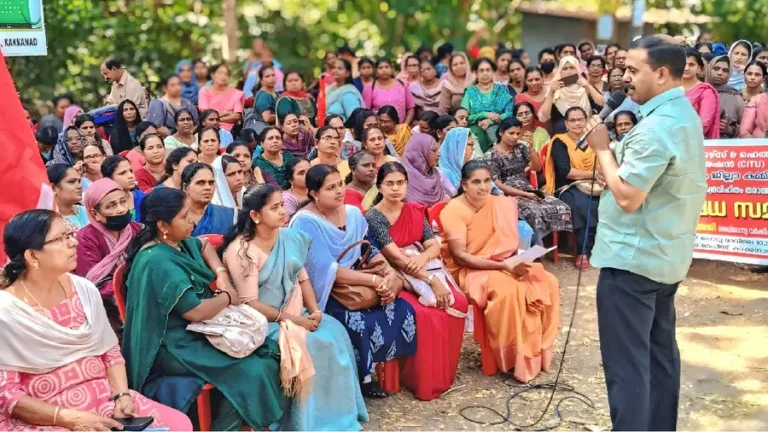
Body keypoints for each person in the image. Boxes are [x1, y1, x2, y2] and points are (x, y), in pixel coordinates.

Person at [585, 35, 707, 431]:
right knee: (658, 359)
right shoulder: (681, 115)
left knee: (629, 370)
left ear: (662, 73)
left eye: (634, 70)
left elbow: (627, 196)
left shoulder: (658, 127)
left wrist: (603, 149)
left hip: (633, 263)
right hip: (663, 259)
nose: (625, 77)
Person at [0, 209, 192, 431]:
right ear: (32, 256)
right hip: (49, 414)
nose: (73, 242)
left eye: (69, 234)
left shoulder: (83, 290)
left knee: (179, 425)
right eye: (60, 238)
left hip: (105, 398)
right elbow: (8, 395)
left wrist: (122, 395)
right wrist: (69, 418)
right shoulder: (7, 312)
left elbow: (110, 353)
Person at [121, 188, 288, 430]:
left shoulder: (178, 243)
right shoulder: (156, 259)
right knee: (252, 371)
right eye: (184, 216)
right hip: (172, 343)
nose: (192, 220)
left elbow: (204, 246)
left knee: (269, 354)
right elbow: (195, 312)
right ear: (163, 225)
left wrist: (221, 274)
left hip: (200, 331)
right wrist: (226, 297)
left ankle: (240, 425)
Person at [221, 185, 369, 429]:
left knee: (335, 333)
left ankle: (339, 415)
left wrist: (314, 311)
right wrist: (296, 321)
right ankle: (307, 422)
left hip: (297, 311)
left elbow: (303, 278)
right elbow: (251, 304)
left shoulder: (288, 237)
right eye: (274, 208)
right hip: (264, 322)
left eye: (282, 205)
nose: (282, 211)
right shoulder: (242, 251)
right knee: (314, 343)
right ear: (255, 216)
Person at [289, 165, 417, 398]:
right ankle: (363, 379)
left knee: (402, 307)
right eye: (330, 188)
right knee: (357, 322)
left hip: (359, 280)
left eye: (340, 184)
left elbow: (370, 248)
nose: (339, 191)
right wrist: (375, 281)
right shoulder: (305, 222)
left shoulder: (352, 214)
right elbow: (329, 270)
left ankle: (390, 370)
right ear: (314, 194)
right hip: (324, 292)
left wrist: (388, 273)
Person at [439, 160, 560, 381]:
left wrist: (515, 261)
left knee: (547, 280)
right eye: (476, 182)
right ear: (464, 185)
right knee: (508, 291)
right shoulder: (453, 210)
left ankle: (537, 350)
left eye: (487, 181)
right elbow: (460, 256)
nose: (483, 187)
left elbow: (505, 247)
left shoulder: (500, 204)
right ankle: (511, 356)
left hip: (503, 264)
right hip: (468, 270)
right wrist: (503, 266)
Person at [364, 163, 468, 400]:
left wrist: (422, 258)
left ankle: (444, 372)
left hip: (419, 264)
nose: (395, 188)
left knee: (459, 302)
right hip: (393, 273)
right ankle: (420, 380)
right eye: (389, 183)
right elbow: (394, 257)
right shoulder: (373, 217)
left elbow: (433, 244)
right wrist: (431, 280)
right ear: (379, 186)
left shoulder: (413, 210)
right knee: (426, 314)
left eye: (400, 183)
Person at [486, 118, 571, 243]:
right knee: (531, 212)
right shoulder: (491, 155)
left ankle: (550, 243)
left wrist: (531, 148)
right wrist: (525, 194)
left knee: (561, 207)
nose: (515, 137)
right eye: (511, 133)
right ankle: (533, 246)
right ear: (501, 133)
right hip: (507, 194)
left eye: (518, 134)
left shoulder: (520, 148)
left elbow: (536, 168)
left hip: (528, 188)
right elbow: (498, 184)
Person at [75, 178, 140, 317]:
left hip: (142, 299)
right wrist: (130, 292)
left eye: (123, 202)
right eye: (111, 206)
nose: (121, 209)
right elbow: (93, 281)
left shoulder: (138, 230)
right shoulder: (85, 238)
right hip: (104, 309)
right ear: (94, 214)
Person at [544, 107, 599, 269]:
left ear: (586, 121)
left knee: (611, 200)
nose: (577, 123)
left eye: (580, 119)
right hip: (568, 187)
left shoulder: (594, 140)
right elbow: (565, 171)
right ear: (566, 123)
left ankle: (603, 249)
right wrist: (594, 174)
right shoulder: (560, 141)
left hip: (596, 185)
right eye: (572, 120)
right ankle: (582, 251)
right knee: (582, 204)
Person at [539, 56, 604, 135]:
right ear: (560, 71)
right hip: (562, 136)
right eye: (565, 69)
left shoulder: (585, 87)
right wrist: (551, 93)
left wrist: (588, 86)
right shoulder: (553, 90)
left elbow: (601, 104)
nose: (568, 72)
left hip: (586, 135)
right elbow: (544, 117)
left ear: (577, 69)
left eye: (572, 68)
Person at [461, 57, 513, 153]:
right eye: (481, 70)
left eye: (488, 70)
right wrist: (484, 114)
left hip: (500, 134)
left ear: (493, 72)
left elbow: (509, 113)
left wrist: (490, 121)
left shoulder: (501, 90)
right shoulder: (470, 92)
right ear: (476, 73)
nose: (485, 73)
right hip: (475, 136)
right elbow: (464, 117)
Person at [180, 163, 236, 236]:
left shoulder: (229, 215)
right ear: (185, 188)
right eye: (201, 183)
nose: (208, 187)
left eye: (211, 183)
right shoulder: (175, 216)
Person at [401, 133, 451, 206]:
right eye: (434, 150)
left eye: (438, 150)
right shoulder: (401, 179)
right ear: (420, 153)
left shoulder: (438, 174)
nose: (439, 154)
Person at [363, 58, 415, 126]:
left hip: (400, 129)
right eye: (380, 68)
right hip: (379, 130)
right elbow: (366, 111)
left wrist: (405, 125)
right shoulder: (369, 87)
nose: (384, 70)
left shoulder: (402, 84)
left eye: (387, 67)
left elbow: (411, 108)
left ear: (392, 69)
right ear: (376, 71)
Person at [683, 49, 720, 139]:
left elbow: (703, 125)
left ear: (699, 69)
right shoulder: (669, 88)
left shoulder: (706, 92)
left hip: (695, 143)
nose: (686, 68)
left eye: (691, 65)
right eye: (683, 64)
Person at [198, 64, 244, 132]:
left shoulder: (235, 93)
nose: (223, 76)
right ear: (213, 75)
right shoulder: (204, 91)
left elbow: (237, 116)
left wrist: (214, 120)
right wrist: (227, 112)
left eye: (226, 74)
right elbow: (205, 115)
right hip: (209, 129)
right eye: (220, 73)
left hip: (231, 130)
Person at [707, 55, 745, 138]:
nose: (720, 73)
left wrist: (728, 129)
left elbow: (744, 128)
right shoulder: (699, 92)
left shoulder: (735, 97)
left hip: (725, 146)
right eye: (716, 69)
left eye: (725, 70)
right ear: (709, 69)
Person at [101, 155, 146, 222]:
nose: (130, 176)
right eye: (122, 173)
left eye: (131, 171)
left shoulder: (143, 198)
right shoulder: (105, 205)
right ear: (109, 178)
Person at [47, 164, 89, 230]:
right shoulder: (47, 220)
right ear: (53, 188)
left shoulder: (87, 212)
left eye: (79, 181)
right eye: (72, 182)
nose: (79, 186)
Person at [438, 127, 475, 196]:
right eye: (470, 144)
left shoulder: (474, 169)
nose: (473, 148)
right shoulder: (442, 176)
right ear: (457, 148)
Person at [326, 59, 365, 123]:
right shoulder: (329, 88)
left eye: (340, 68)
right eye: (334, 67)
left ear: (347, 73)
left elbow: (354, 120)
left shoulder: (349, 93)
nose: (335, 70)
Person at [738, 62, 768, 138]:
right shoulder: (736, 96)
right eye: (749, 74)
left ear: (763, 78)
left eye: (757, 75)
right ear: (744, 75)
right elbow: (744, 131)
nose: (752, 78)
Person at [515, 67, 549, 131]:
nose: (534, 83)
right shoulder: (520, 98)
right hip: (531, 135)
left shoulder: (550, 93)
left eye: (537, 79)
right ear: (525, 81)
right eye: (530, 80)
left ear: (543, 79)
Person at [282, 157, 311, 221]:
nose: (308, 175)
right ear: (291, 180)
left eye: (310, 170)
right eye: (301, 173)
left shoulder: (319, 190)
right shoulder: (286, 198)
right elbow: (290, 223)